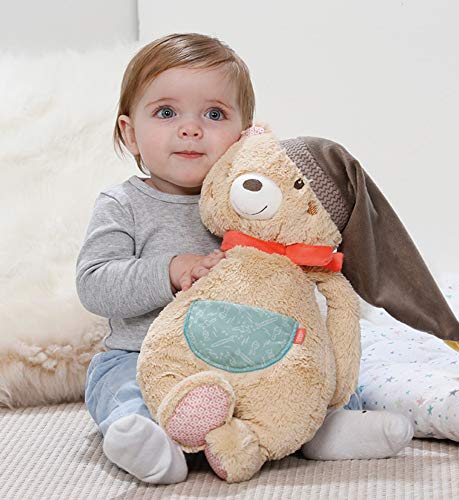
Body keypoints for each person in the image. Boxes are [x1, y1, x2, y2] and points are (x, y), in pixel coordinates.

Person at [76, 32, 412, 485]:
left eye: (214, 114)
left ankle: (330, 427)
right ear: (130, 133)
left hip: (250, 360)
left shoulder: (254, 201)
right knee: (116, 386)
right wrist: (170, 270)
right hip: (145, 358)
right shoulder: (123, 205)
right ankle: (144, 439)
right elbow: (94, 283)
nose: (191, 129)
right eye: (166, 112)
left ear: (244, 135)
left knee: (312, 370)